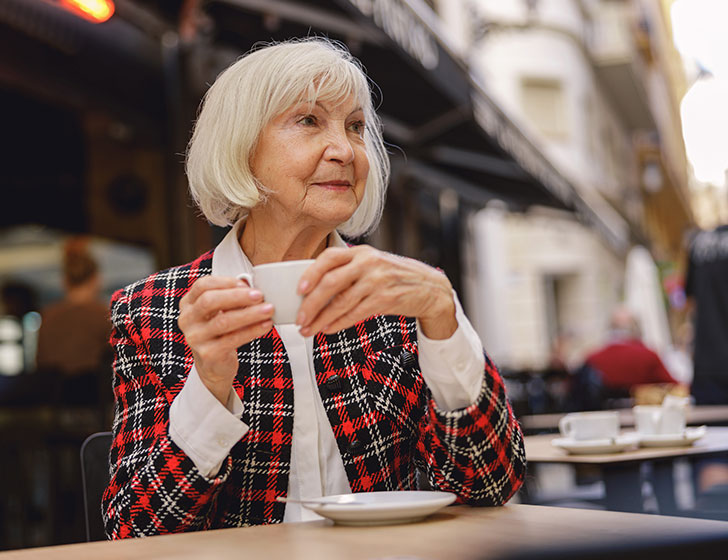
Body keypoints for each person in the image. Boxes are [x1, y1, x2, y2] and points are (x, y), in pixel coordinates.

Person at [102, 38, 526, 538]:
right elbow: (135, 531)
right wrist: (210, 384)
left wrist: (442, 316)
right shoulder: (153, 310)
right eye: (308, 121)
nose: (345, 151)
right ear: (241, 147)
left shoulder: (400, 296)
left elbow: (490, 482)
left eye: (354, 127)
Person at [685, 224, 728, 499]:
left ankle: (712, 533)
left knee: (712, 448)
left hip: (707, 364)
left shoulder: (699, 242)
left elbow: (690, 300)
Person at [36, 238, 110, 376]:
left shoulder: (47, 317)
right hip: (93, 393)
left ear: (64, 281)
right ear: (96, 279)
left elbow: (41, 366)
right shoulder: (104, 315)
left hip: (56, 394)